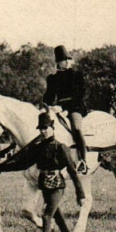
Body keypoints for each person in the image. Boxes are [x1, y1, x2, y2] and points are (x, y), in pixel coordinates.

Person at [0, 112, 86, 232]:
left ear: (52, 127)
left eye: (46, 128)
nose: (43, 131)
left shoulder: (61, 147)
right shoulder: (39, 148)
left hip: (57, 186)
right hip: (45, 185)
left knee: (46, 215)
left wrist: (80, 194)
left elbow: (72, 171)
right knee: (58, 217)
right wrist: (1, 167)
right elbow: (23, 163)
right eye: (41, 129)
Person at [42, 45, 88, 173]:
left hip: (75, 106)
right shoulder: (52, 78)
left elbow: (80, 95)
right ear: (58, 62)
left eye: (69, 59)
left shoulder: (77, 75)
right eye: (64, 60)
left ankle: (83, 160)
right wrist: (47, 104)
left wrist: (63, 108)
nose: (67, 62)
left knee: (77, 128)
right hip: (58, 108)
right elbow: (49, 96)